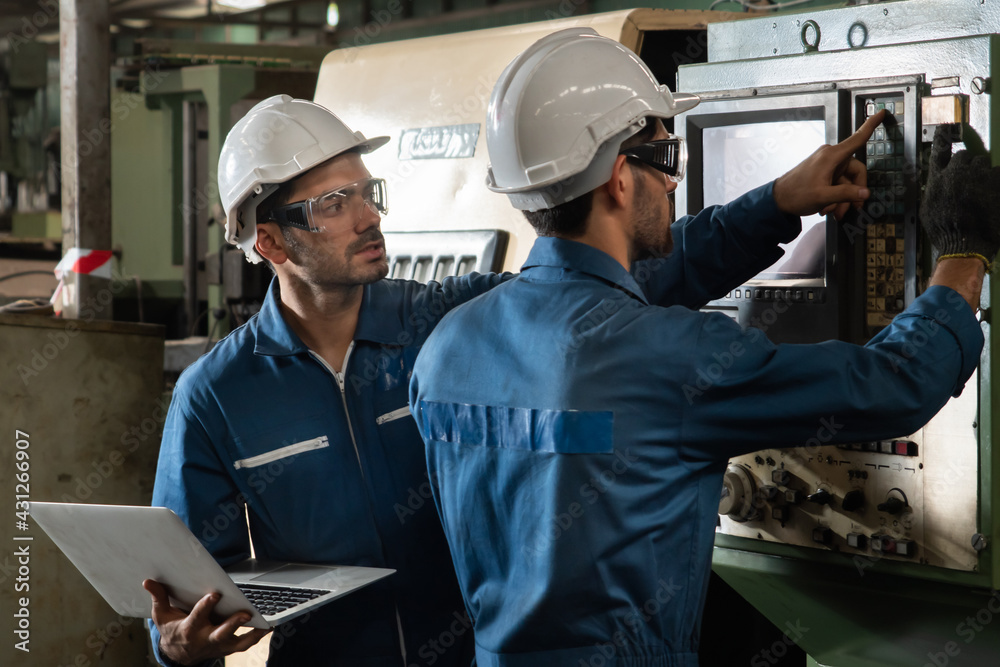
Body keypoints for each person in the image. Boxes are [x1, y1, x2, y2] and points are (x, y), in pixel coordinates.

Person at [142, 89, 821, 666]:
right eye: (334, 203)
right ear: (270, 242)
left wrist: (778, 204)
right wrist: (175, 644)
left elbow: (618, 281)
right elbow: (186, 590)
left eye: (367, 192)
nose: (370, 215)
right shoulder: (215, 395)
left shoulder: (444, 321)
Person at [409, 29, 998, 667]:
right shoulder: (670, 358)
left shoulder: (445, 348)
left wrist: (775, 205)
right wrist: (963, 252)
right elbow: (895, 382)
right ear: (617, 179)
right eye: (665, 160)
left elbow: (601, 295)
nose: (672, 183)